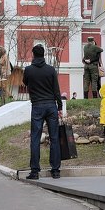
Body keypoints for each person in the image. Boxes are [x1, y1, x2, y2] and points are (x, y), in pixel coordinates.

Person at [22, 44, 63, 180]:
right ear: (44, 54)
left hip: (37, 106)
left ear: (33, 55)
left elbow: (25, 82)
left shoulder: (28, 70)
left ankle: (34, 171)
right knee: (54, 138)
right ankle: (56, 170)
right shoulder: (51, 70)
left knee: (35, 138)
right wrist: (60, 106)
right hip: (51, 105)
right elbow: (56, 89)